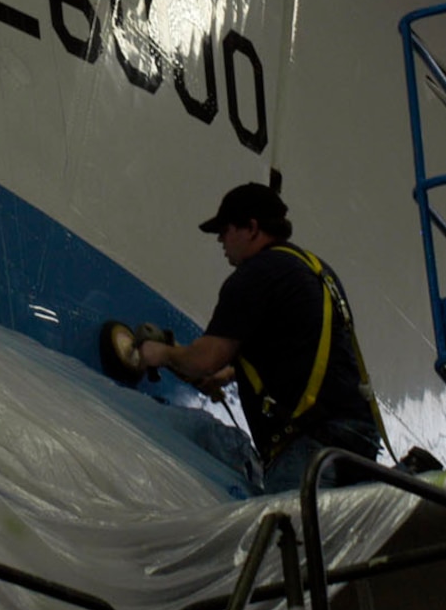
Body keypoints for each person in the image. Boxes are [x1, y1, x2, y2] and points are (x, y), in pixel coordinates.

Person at [137, 182, 388, 494]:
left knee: (292, 539)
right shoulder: (316, 270)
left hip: (309, 448)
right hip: (359, 442)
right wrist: (229, 375)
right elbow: (302, 351)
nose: (220, 239)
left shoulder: (255, 274)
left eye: (225, 229)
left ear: (252, 228)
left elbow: (204, 359)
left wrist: (161, 354)